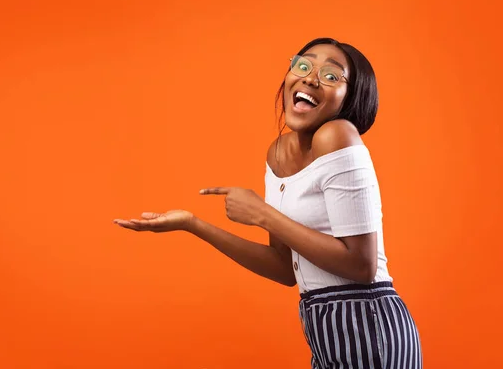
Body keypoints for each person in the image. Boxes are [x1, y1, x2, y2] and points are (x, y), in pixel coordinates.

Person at [113, 37, 422, 369]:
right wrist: (193, 224)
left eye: (331, 76)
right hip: (322, 326)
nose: (310, 77)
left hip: (368, 325)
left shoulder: (339, 134)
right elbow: (283, 266)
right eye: (302, 66)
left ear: (351, 99)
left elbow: (362, 266)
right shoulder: (278, 153)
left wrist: (262, 214)